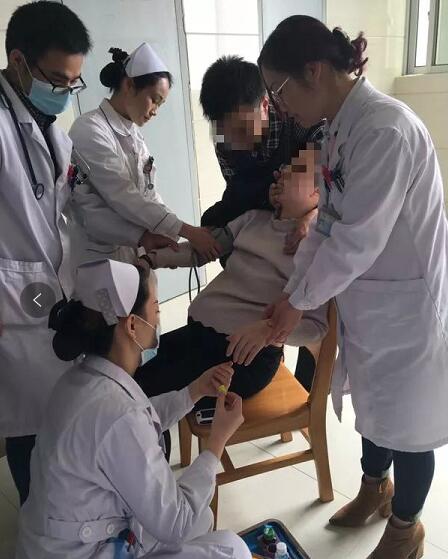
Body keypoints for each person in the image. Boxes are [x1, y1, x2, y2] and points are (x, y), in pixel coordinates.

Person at [257, 15, 448, 559]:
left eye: (278, 91)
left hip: (407, 308)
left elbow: (356, 240)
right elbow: (326, 225)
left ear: (313, 71)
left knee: (408, 422)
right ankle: (374, 488)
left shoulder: (386, 131)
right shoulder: (338, 128)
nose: (277, 106)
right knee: (372, 404)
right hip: (369, 299)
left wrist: (298, 302)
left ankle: (406, 527)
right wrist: (294, 293)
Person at [16, 259, 252, 559]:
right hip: (84, 551)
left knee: (202, 517)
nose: (158, 318)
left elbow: (136, 422)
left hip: (61, 538)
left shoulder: (79, 379)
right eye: (156, 309)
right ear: (131, 325)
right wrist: (216, 442)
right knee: (233, 548)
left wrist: (193, 391)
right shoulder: (117, 412)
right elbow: (176, 524)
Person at [134, 148, 327, 404]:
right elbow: (201, 250)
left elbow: (316, 328)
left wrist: (270, 332)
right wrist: (151, 260)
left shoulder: (316, 249)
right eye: (285, 167)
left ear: (318, 193)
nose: (282, 172)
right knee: (129, 369)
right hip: (199, 335)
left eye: (296, 170)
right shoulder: (252, 219)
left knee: (139, 393)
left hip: (242, 358)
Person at [0, 1, 91, 505]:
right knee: (27, 426)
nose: (63, 92)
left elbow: (64, 207)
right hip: (11, 306)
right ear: (18, 61)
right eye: (56, 80)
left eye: (73, 83)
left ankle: (61, 516)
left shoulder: (48, 124)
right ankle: (40, 524)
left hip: (47, 294)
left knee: (56, 419)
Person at [199, 54, 324, 389]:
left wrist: (312, 215)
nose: (237, 141)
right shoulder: (227, 141)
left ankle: (306, 384)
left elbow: (334, 188)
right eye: (228, 133)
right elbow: (239, 195)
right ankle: (263, 349)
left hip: (309, 218)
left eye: (243, 129)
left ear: (266, 105)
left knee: (307, 295)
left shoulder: (303, 121)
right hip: (267, 213)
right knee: (223, 233)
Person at [69, 43, 219, 270]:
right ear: (129, 85)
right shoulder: (89, 130)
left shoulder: (134, 135)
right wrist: (187, 230)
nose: (155, 111)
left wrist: (171, 236)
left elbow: (148, 194)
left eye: (161, 104)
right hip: (99, 255)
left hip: (137, 249)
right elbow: (124, 196)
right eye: (154, 99)